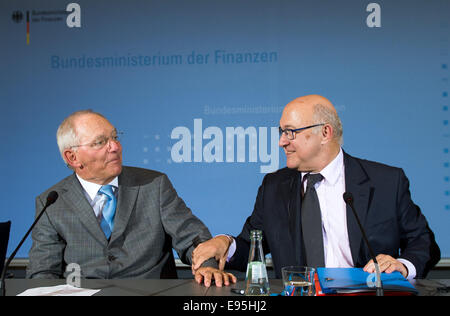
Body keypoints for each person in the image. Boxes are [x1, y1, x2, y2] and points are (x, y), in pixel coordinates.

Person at [192, 95, 440, 280]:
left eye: (290, 132)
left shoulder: (386, 182)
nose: (281, 142)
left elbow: (423, 242)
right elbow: (252, 245)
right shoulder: (274, 186)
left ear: (325, 133)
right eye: (281, 132)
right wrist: (226, 243)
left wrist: (402, 265)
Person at [27, 110, 236, 287]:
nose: (115, 147)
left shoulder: (154, 185)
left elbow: (191, 237)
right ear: (72, 157)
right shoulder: (52, 202)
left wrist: (207, 265)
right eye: (100, 142)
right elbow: (42, 272)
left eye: (115, 137)